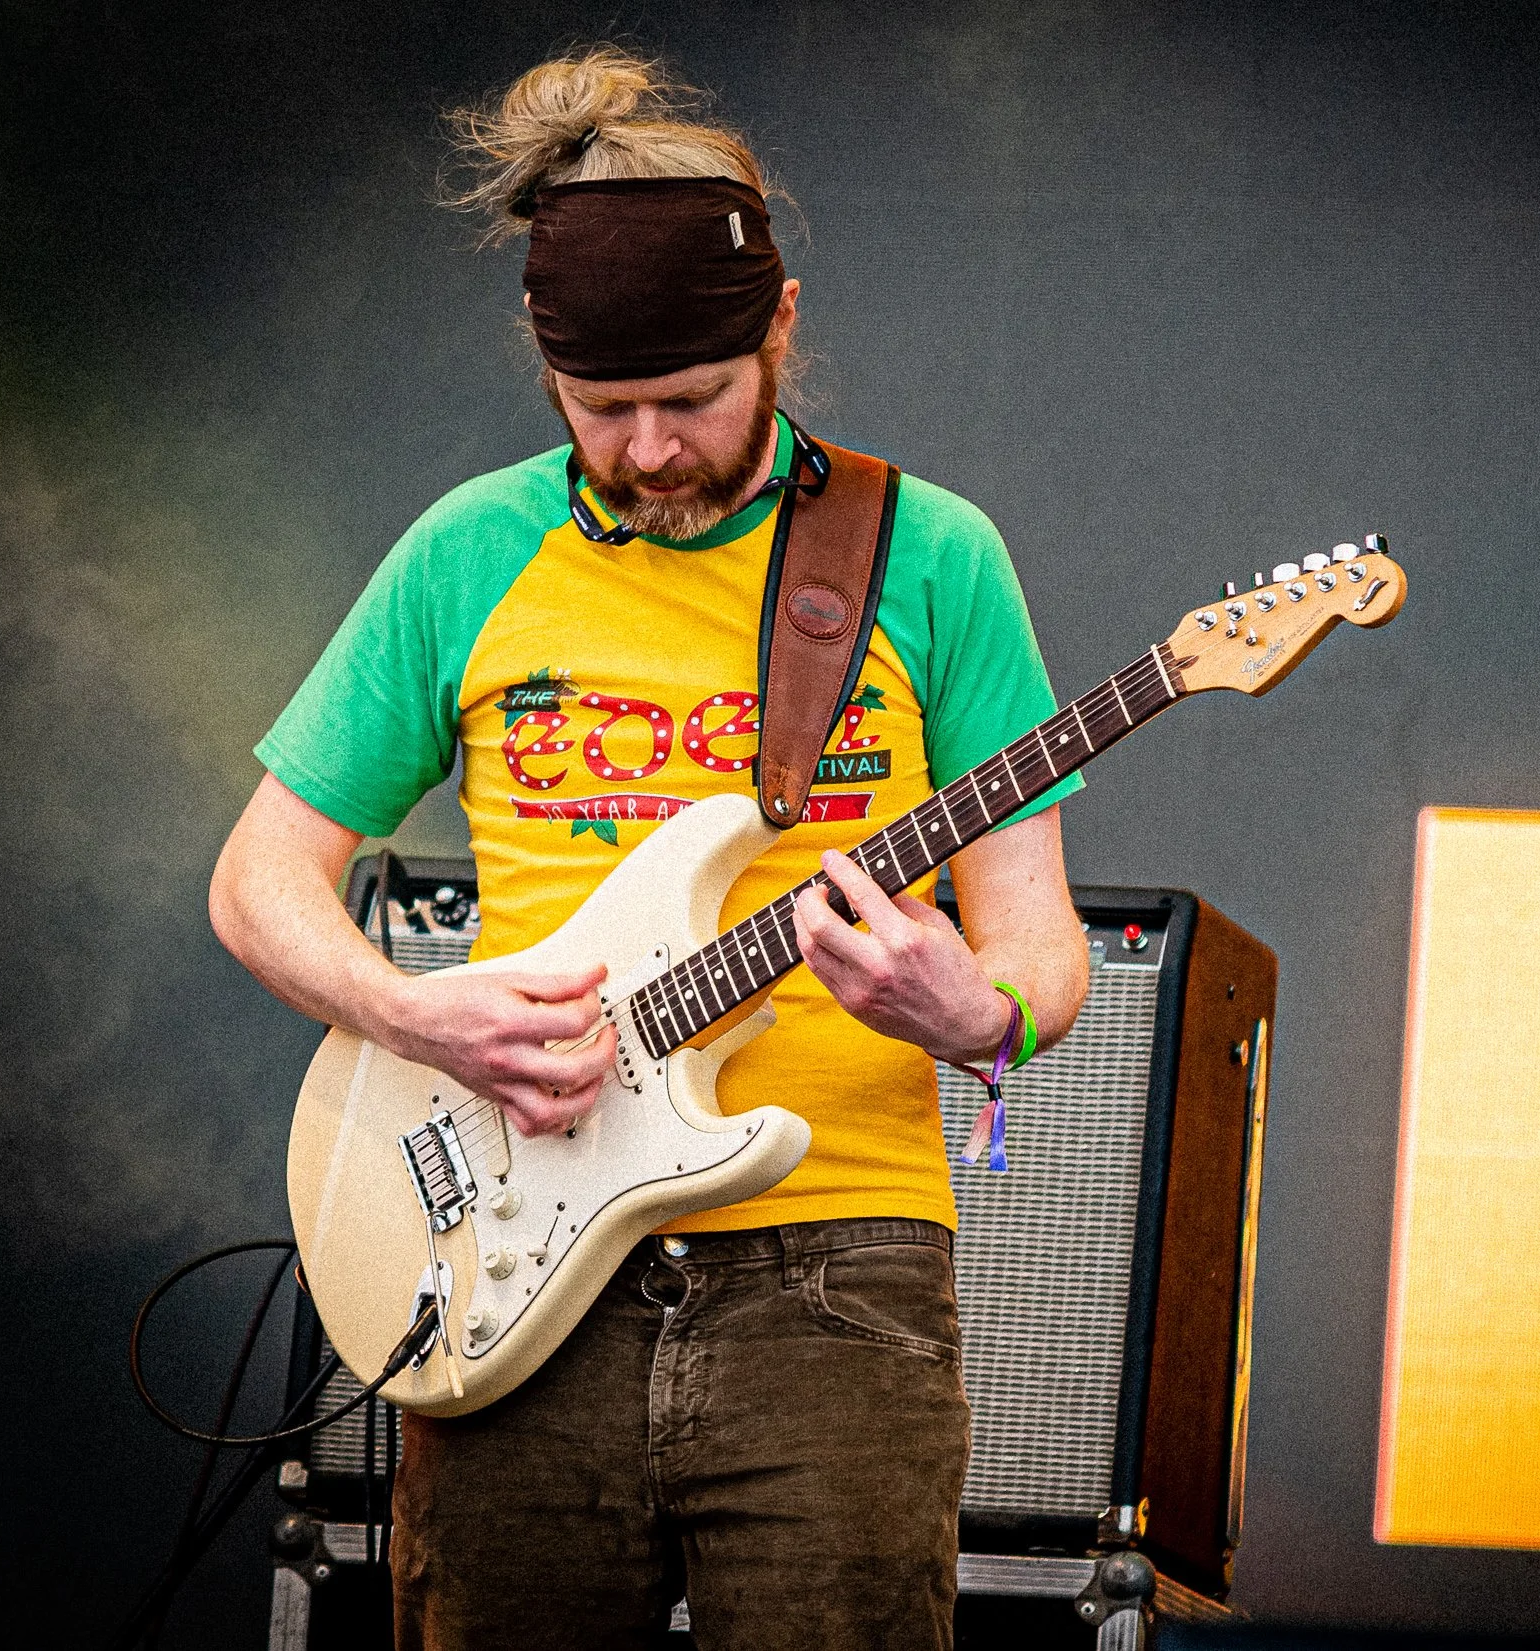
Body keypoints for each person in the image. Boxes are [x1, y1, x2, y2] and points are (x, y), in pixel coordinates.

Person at [209, 45, 1091, 1651]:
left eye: (689, 402)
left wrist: (973, 1012)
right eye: (600, 412)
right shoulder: (472, 547)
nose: (650, 452)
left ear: (782, 329)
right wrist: (420, 1014)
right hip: (505, 1260)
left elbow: (1040, 950)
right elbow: (259, 883)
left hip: (837, 1275)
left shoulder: (931, 556)